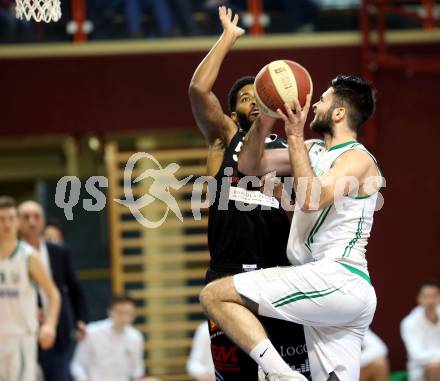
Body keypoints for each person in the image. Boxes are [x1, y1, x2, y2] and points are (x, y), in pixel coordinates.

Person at [200, 71, 381, 381]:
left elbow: (314, 198)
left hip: (337, 277)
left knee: (214, 295)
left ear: (339, 113)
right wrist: (267, 116)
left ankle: (279, 374)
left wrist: (294, 135)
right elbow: (248, 166)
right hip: (330, 290)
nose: (314, 105)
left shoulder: (357, 158)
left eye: (323, 99)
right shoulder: (313, 151)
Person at [189, 6, 310, 381]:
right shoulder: (223, 138)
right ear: (234, 110)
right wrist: (228, 37)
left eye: (257, 95)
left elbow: (302, 210)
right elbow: (198, 89)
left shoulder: (289, 148)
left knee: (289, 373)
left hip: (278, 274)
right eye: (245, 98)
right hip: (228, 274)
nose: (253, 101)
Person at [18, 200, 89, 381]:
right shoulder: (9, 254)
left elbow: (73, 287)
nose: (32, 222)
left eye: (36, 217)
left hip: (55, 327)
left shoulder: (58, 252)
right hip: (20, 330)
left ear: (43, 221)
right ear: (18, 221)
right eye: (26, 217)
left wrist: (80, 319)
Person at [0, 196, 60, 381]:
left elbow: (53, 294)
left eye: (11, 218)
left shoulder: (28, 256)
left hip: (21, 338)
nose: (7, 224)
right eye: (1, 219)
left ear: (17, 222)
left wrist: (50, 324)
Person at [70, 295, 145, 381]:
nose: (124, 318)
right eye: (120, 313)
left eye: (128, 313)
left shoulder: (136, 337)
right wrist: (83, 379)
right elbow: (77, 365)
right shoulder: (92, 332)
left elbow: (137, 368)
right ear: (110, 312)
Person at [401, 278, 440, 381]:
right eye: (426, 296)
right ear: (419, 298)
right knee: (434, 367)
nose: (430, 301)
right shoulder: (409, 322)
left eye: (434, 296)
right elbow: (417, 355)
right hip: (420, 370)